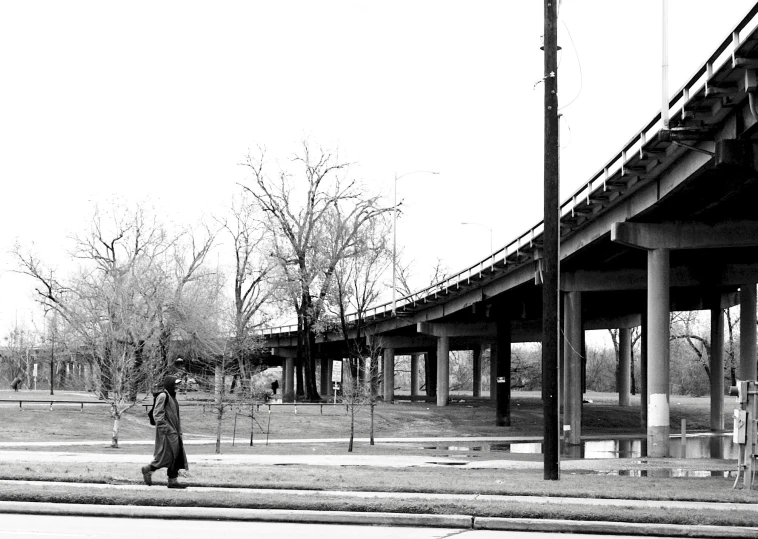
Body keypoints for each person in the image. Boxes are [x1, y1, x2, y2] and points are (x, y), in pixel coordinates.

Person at [141, 376, 188, 489]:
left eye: (178, 384)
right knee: (167, 455)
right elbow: (157, 414)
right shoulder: (163, 396)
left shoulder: (172, 396)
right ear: (169, 384)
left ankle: (172, 480)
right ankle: (149, 469)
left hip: (174, 431)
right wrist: (166, 429)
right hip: (168, 432)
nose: (177, 386)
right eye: (175, 384)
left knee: (175, 455)